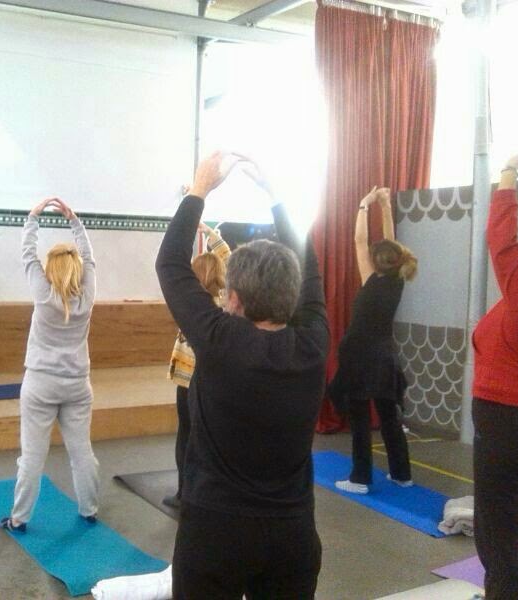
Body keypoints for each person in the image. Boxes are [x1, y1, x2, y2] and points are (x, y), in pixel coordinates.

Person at [156, 152, 328, 599]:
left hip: (215, 533)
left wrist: (199, 190)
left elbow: (170, 264)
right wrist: (276, 197)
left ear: (232, 299)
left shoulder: (219, 339)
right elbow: (309, 266)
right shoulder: (312, 344)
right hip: (291, 534)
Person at [0, 197, 98, 532]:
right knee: (81, 451)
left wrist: (33, 217)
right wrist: (74, 220)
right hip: (77, 385)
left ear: (50, 270)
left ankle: (19, 518)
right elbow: (90, 258)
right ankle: (90, 509)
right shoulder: (87, 295)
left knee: (32, 457)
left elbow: (27, 254)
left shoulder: (43, 293)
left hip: (41, 384)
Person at [330, 186, 417, 495]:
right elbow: (392, 243)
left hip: (360, 358)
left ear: (378, 260)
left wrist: (364, 204)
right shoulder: (398, 279)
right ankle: (401, 474)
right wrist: (386, 205)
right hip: (384, 356)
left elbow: (359, 240)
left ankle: (360, 478)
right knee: (389, 415)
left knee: (359, 419)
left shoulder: (370, 278)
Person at [472, 154, 518, 599]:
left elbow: (501, 236)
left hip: (506, 416)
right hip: (507, 414)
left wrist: (509, 172)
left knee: (499, 524)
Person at [163, 223, 230, 509]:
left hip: (188, 379)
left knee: (186, 435)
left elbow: (171, 267)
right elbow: (228, 257)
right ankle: (210, 490)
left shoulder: (191, 305)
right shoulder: (225, 303)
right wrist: (211, 235)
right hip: (213, 380)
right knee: (208, 435)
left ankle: (184, 492)